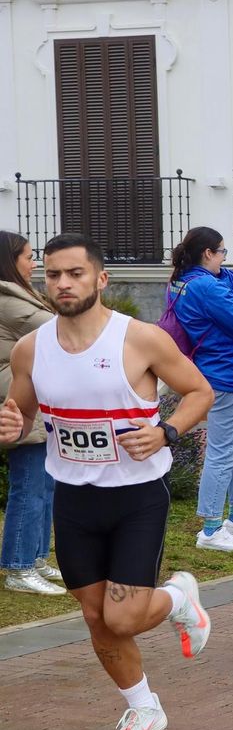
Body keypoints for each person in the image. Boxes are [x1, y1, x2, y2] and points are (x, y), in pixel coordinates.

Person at [0, 233, 214, 730]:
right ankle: (144, 709)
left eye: (74, 273)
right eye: (52, 274)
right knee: (96, 616)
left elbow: (200, 391)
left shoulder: (139, 339)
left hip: (136, 495)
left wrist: (167, 432)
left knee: (123, 615)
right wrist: (9, 425)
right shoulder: (32, 348)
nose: (63, 284)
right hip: (73, 498)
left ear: (100, 279)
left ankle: (178, 597)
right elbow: (19, 412)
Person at [169, 227, 233, 552]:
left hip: (220, 372)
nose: (225, 258)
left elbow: (222, 292)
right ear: (208, 253)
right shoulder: (207, 288)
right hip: (226, 377)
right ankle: (211, 529)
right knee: (223, 452)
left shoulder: (185, 280)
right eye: (222, 252)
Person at [0, 231, 63, 594]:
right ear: (11, 260)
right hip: (21, 403)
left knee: (45, 483)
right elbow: (58, 330)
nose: (34, 262)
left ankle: (36, 557)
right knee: (29, 486)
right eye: (28, 256)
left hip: (37, 401)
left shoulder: (21, 294)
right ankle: (18, 567)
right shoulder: (8, 302)